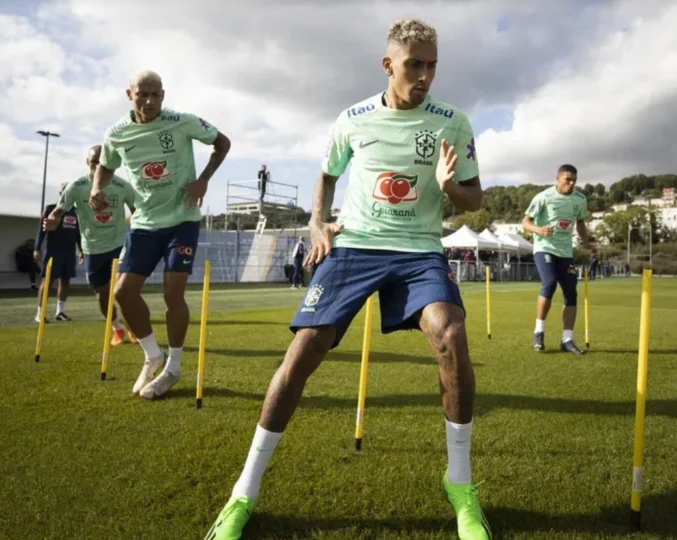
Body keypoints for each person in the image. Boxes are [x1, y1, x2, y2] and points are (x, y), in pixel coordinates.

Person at [206, 19, 491, 540]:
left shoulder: (453, 122)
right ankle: (243, 492)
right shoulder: (352, 118)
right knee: (304, 347)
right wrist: (318, 221)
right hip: (355, 247)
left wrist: (452, 189)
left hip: (417, 252)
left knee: (451, 335)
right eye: (414, 65)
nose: (425, 75)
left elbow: (477, 198)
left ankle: (461, 486)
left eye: (432, 65)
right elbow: (328, 173)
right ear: (388, 65)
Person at [89, 69, 231, 399]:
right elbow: (106, 165)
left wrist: (204, 179)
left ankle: (174, 366)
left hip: (182, 219)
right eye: (143, 95)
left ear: (163, 95)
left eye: (156, 95)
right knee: (123, 293)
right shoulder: (116, 134)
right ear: (130, 95)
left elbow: (222, 143)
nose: (150, 101)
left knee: (172, 293)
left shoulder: (181, 121)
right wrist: (97, 187)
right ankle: (154, 354)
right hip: (143, 222)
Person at [44, 144, 139, 345]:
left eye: (103, 164)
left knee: (124, 291)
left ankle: (134, 327)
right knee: (102, 296)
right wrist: (52, 220)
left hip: (119, 245)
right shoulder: (77, 187)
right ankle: (117, 329)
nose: (98, 168)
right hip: (92, 248)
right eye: (94, 163)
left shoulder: (123, 186)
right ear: (88, 163)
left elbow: (136, 211)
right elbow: (59, 210)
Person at [522, 164, 590, 355]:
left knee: (571, 292)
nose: (571, 183)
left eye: (574, 180)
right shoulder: (543, 197)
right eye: (567, 179)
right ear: (557, 179)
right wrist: (539, 230)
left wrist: (587, 243)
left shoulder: (580, 199)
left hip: (565, 251)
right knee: (549, 283)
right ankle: (539, 331)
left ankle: (567, 340)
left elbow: (581, 223)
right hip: (544, 248)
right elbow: (525, 222)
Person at [34, 182, 82, 323]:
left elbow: (78, 233)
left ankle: (60, 312)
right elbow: (41, 230)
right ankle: (39, 314)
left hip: (69, 252)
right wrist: (37, 248)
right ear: (60, 193)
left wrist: (81, 250)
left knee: (66, 281)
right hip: (53, 250)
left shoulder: (76, 211)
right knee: (47, 281)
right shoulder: (50, 209)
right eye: (64, 190)